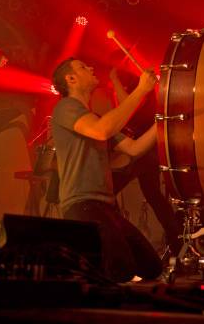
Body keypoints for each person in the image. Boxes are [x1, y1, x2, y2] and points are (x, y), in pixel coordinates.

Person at [51, 57, 162, 282]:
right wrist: (140, 90)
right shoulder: (66, 107)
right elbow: (102, 131)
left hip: (105, 206)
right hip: (82, 204)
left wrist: (164, 121)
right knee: (121, 267)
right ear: (70, 79)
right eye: (83, 66)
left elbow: (133, 148)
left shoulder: (97, 119)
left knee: (151, 267)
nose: (91, 66)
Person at [107, 67, 182, 255]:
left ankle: (118, 241)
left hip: (144, 150)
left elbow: (129, 107)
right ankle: (177, 244)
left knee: (107, 192)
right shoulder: (133, 84)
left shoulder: (137, 82)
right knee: (154, 196)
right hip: (145, 149)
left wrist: (115, 79)